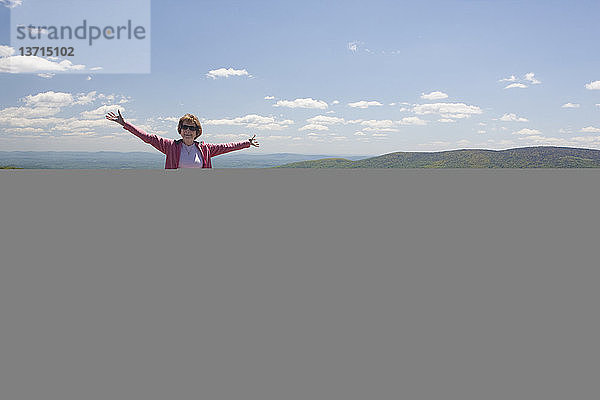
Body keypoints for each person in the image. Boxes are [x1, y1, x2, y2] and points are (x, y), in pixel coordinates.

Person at [106, 110, 259, 169]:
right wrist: (125, 124)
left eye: (192, 128)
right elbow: (147, 138)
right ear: (180, 129)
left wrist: (247, 143)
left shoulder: (205, 149)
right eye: (185, 127)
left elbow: (227, 146)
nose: (188, 130)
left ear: (197, 131)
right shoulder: (170, 146)